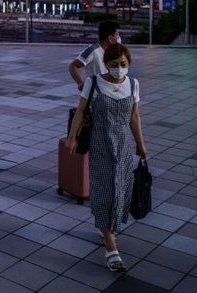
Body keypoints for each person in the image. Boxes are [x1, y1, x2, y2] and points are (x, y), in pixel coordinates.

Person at [66, 43, 147, 273]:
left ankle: (108, 229)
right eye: (114, 65)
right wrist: (72, 137)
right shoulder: (93, 82)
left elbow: (135, 116)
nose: (119, 69)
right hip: (100, 143)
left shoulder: (133, 84)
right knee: (103, 189)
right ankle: (111, 245)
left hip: (123, 144)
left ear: (128, 64)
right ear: (106, 64)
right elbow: (81, 111)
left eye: (123, 65)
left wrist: (140, 144)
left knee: (121, 187)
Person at [68, 21, 121, 91]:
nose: (119, 38)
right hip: (94, 93)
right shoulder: (93, 50)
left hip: (107, 90)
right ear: (110, 38)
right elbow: (73, 66)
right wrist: (80, 83)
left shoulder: (112, 50)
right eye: (117, 35)